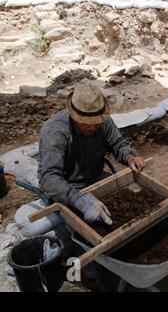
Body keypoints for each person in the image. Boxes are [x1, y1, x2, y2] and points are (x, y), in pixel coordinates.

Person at [37, 82, 145, 225]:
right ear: (74, 116)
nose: (93, 127)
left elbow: (118, 144)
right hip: (67, 185)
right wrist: (78, 200)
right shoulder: (55, 131)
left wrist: (130, 157)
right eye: (86, 123)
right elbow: (49, 177)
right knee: (80, 224)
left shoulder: (104, 122)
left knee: (132, 203)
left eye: (97, 122)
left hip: (95, 177)